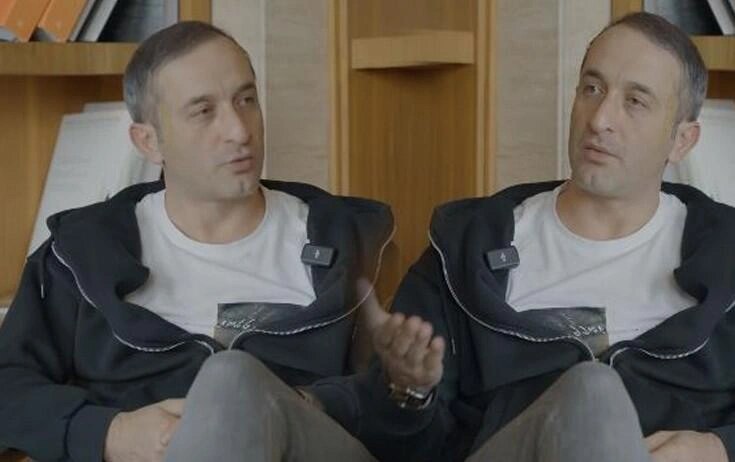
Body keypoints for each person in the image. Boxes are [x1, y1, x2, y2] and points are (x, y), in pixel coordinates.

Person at [346, 12, 735, 462]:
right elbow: (404, 447)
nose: (600, 119)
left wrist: (720, 447)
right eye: (592, 89)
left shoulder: (726, 255)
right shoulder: (465, 248)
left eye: (635, 101)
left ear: (682, 141)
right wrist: (410, 392)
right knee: (593, 387)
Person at [0, 21, 392, 461]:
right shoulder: (80, 254)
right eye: (203, 111)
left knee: (230, 376)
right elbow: (8, 387)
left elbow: (408, 402)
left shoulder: (355, 244)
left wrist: (297, 407)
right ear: (149, 141)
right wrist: (112, 433)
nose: (239, 130)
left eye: (246, 100)